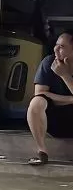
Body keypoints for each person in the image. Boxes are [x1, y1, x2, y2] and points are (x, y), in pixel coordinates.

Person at [27, 30, 73, 165]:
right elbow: (41, 93)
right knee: (36, 102)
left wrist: (65, 75)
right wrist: (71, 99)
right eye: (56, 45)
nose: (56, 49)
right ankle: (42, 151)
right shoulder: (49, 62)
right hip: (55, 120)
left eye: (62, 46)